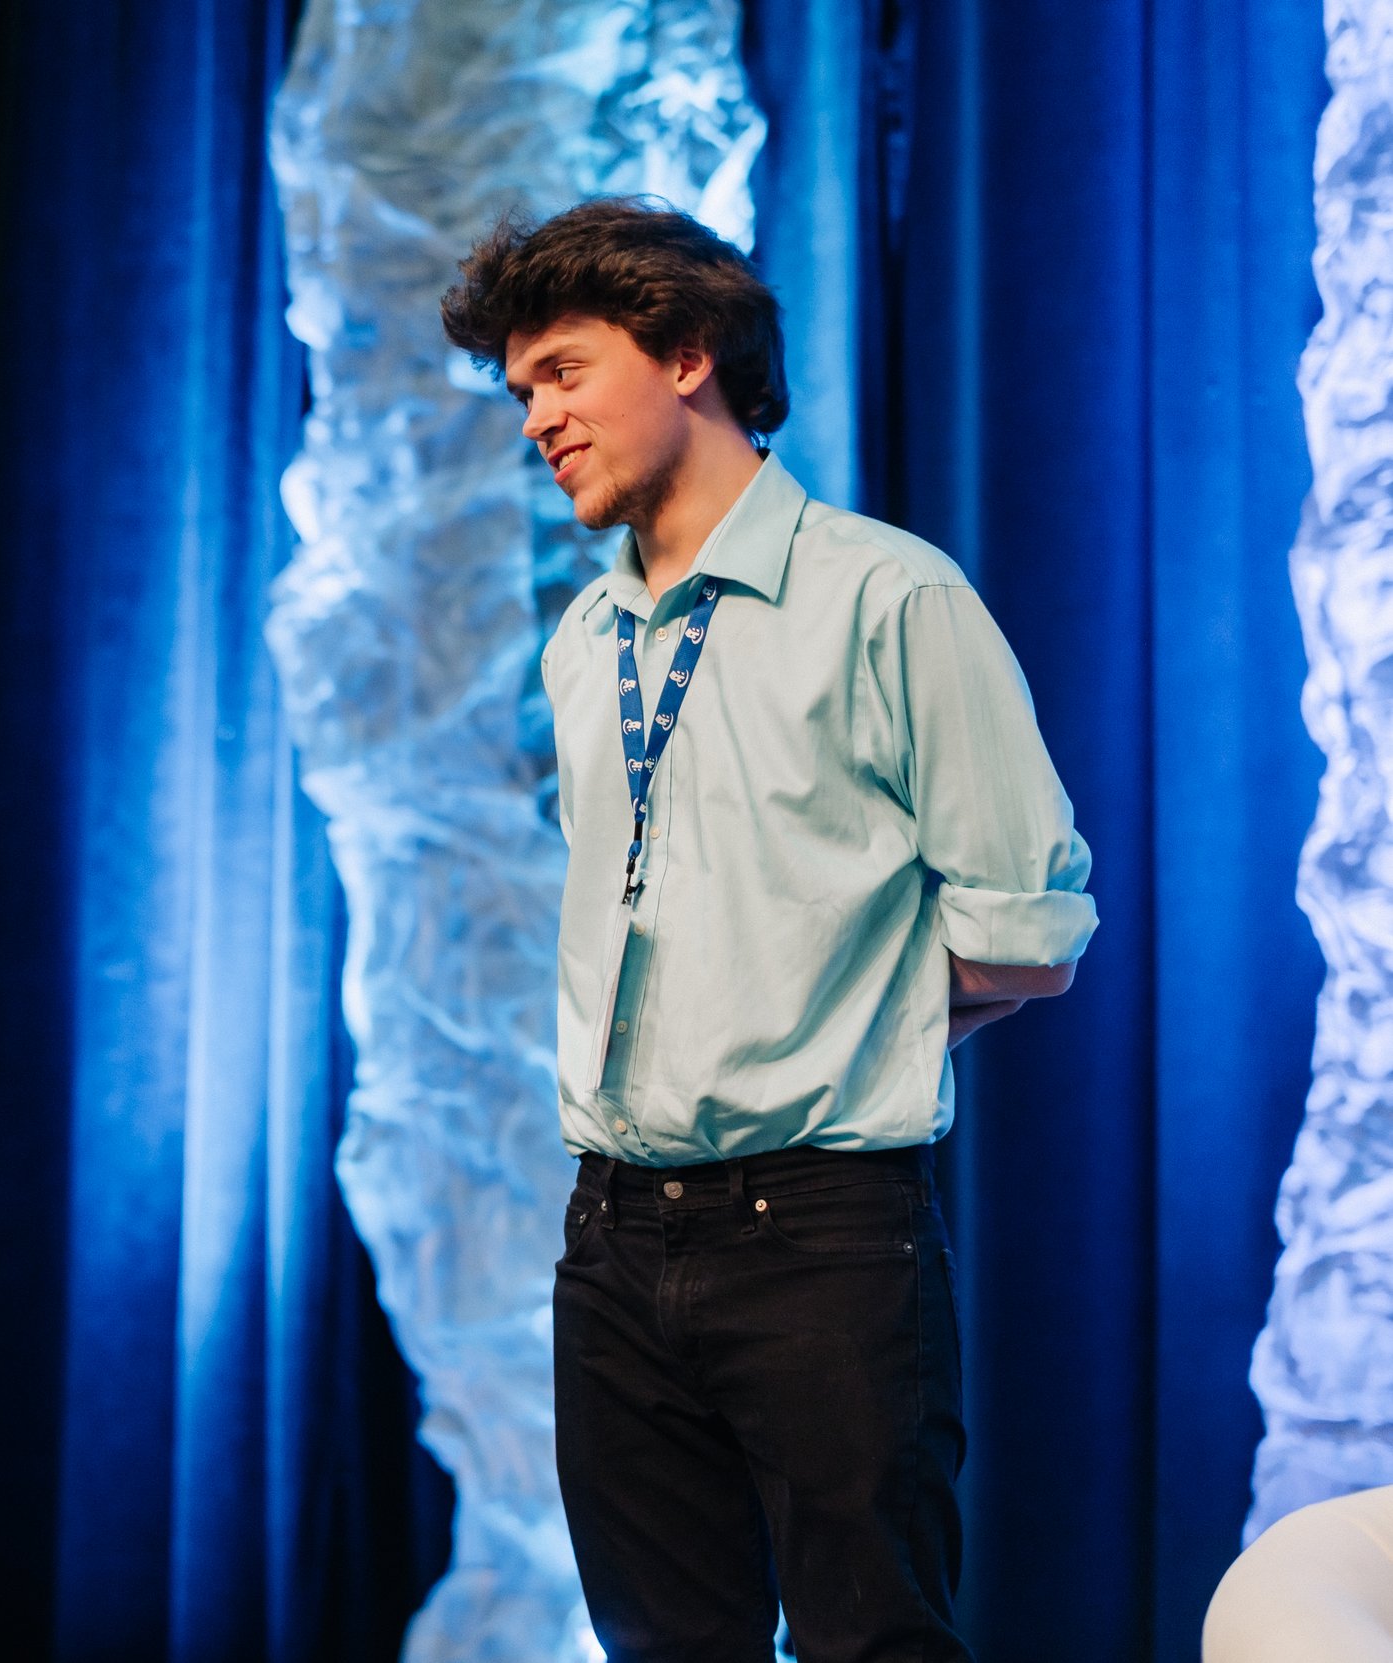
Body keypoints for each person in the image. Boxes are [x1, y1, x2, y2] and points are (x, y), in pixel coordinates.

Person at [441, 198, 1094, 1661]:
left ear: (684, 354)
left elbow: (1025, 936)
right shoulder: (580, 641)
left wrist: (826, 1013)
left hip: (818, 1231)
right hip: (610, 1230)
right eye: (520, 390)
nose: (535, 416)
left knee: (876, 1642)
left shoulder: (891, 596)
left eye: (560, 371)